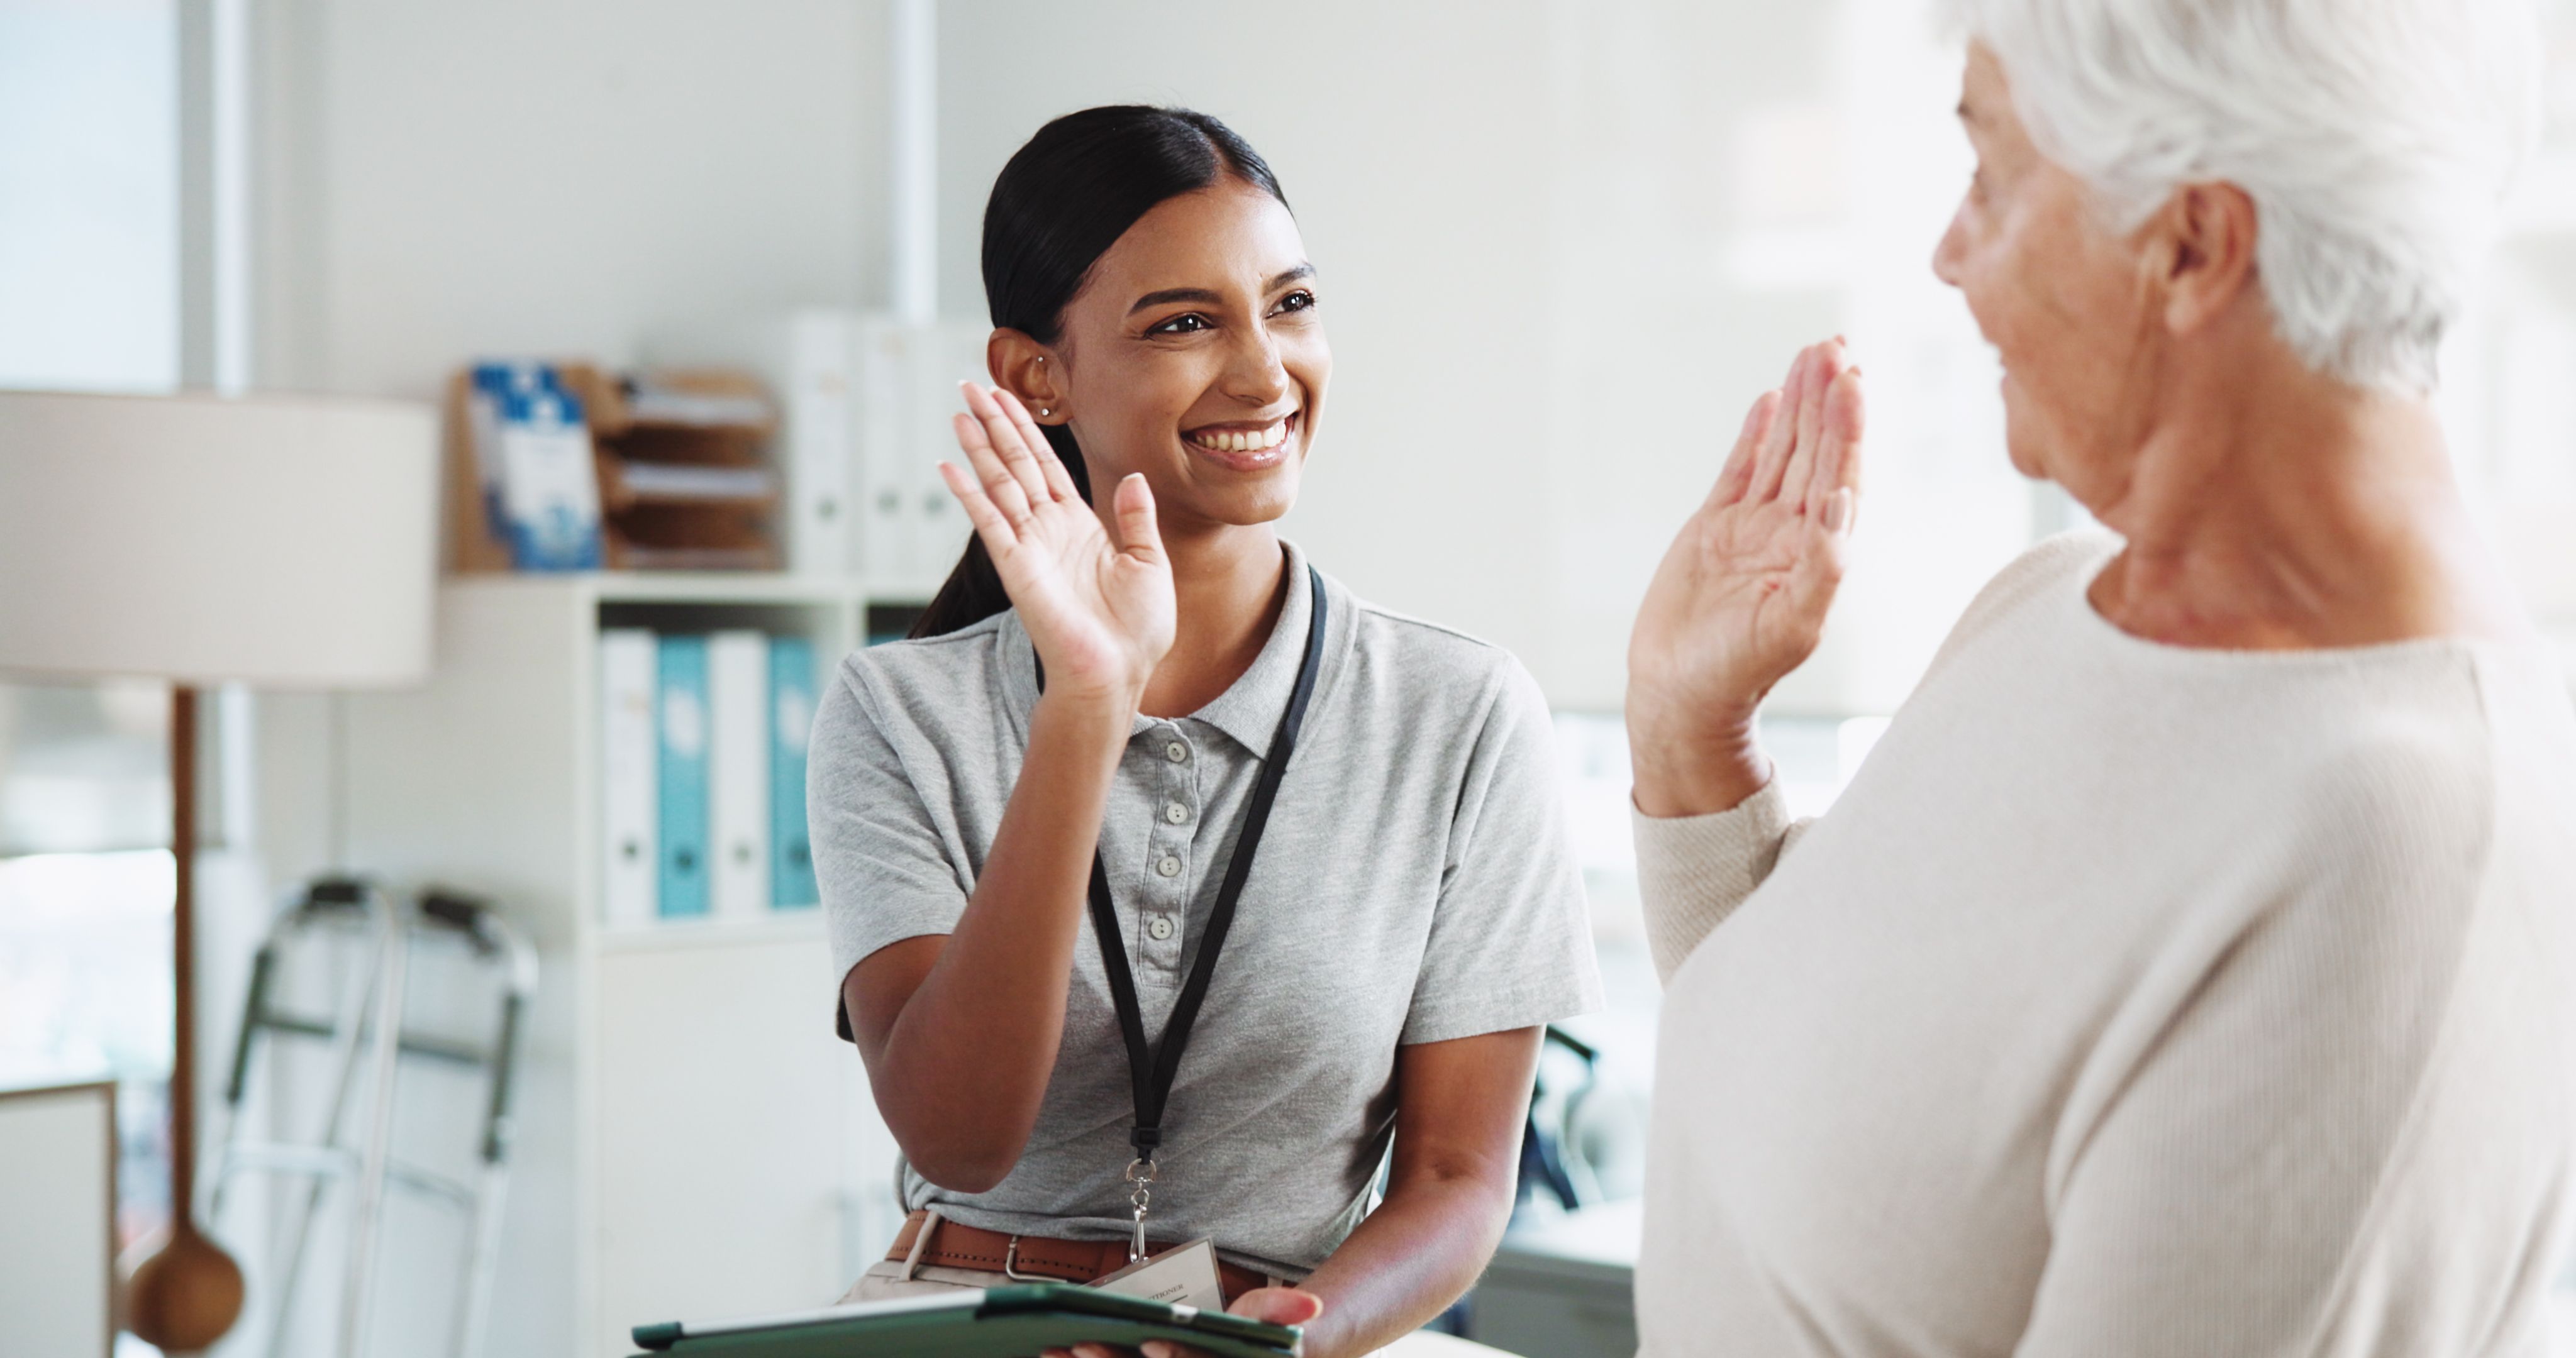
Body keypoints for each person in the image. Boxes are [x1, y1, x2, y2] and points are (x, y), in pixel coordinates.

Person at [1623, 0, 2576, 1353]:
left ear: (2189, 246)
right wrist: (1685, 730)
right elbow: (1812, 1097)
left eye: (1990, 177)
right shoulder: (2046, 603)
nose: (1946, 254)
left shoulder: (2399, 847)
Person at [807, 106, 1601, 1358]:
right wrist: (1084, 704)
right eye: (1184, 323)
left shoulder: (1458, 714)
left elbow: (1457, 1179)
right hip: (965, 1326)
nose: (1261, 371)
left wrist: (1276, 1339)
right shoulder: (901, 714)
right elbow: (954, 1137)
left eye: (1288, 305)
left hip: (1273, 1337)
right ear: (1036, 376)